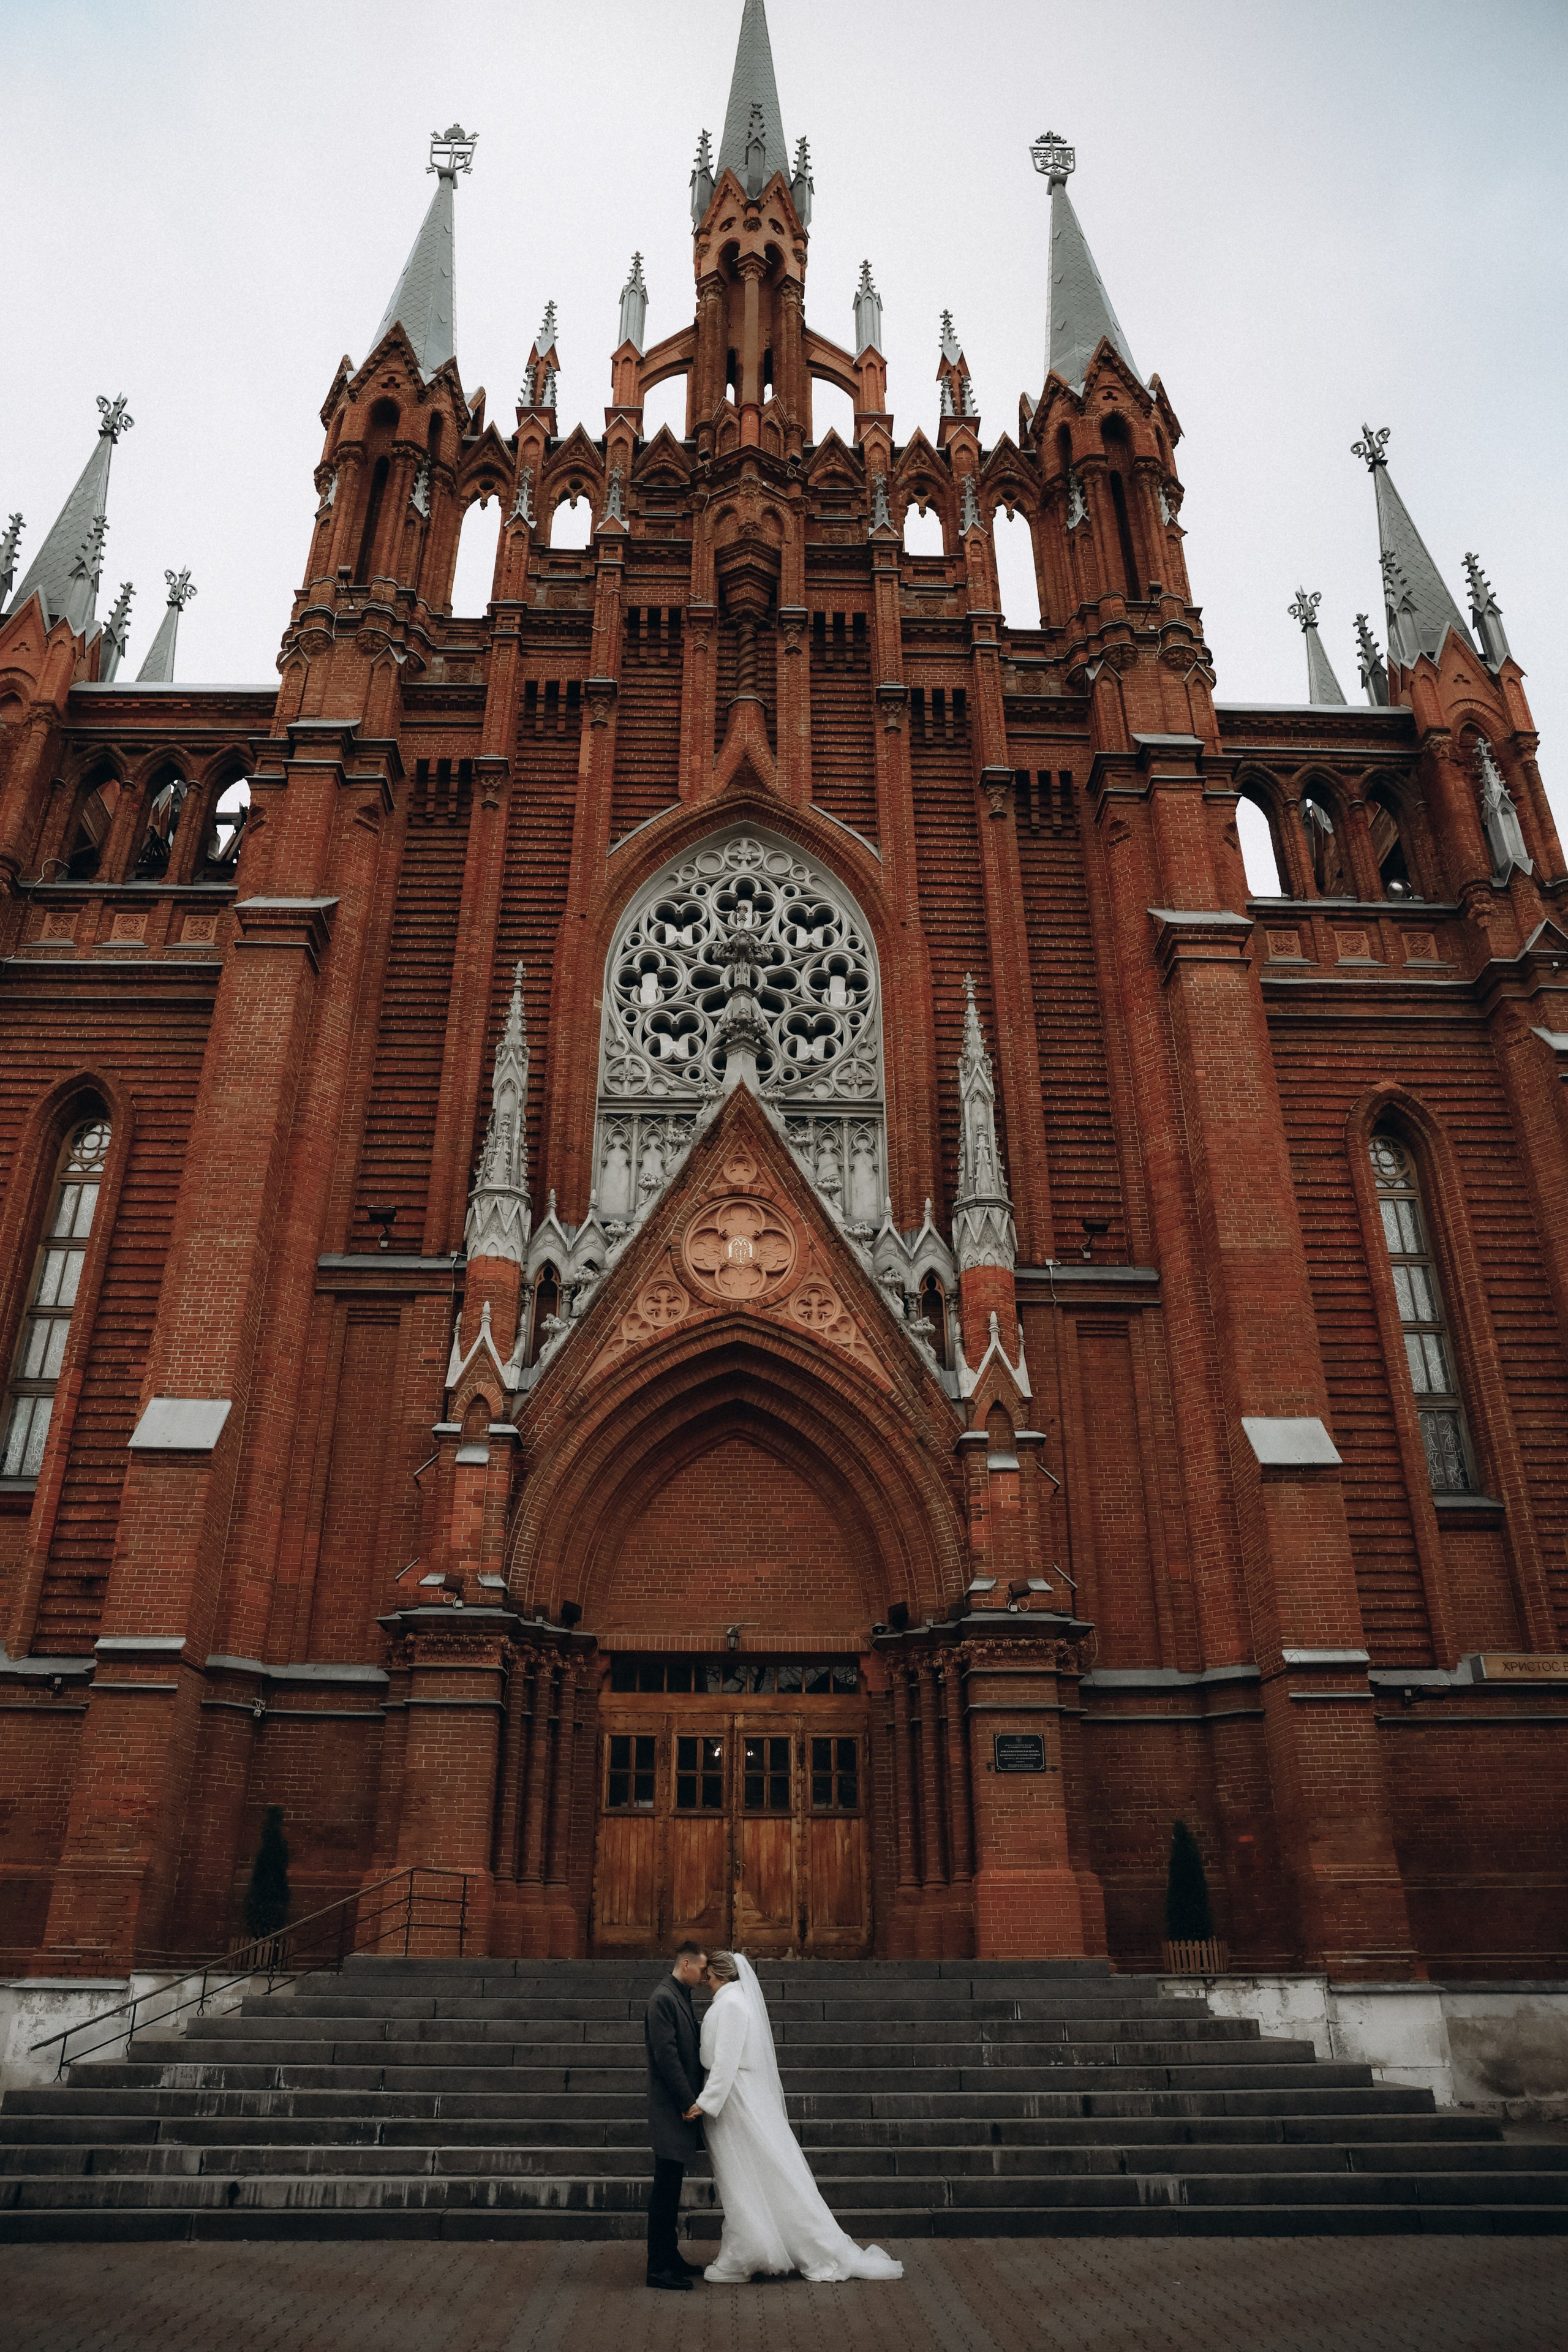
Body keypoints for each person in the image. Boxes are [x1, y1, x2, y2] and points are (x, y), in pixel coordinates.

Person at [686, 1950, 903, 2284]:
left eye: (709, 1975)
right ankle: (753, 2247)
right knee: (745, 2173)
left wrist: (706, 2101)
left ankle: (746, 2255)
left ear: (722, 1974)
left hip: (735, 2099)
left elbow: (726, 2061)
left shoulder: (730, 2005)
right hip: (735, 2096)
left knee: (743, 2173)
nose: (705, 1981)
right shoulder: (734, 2002)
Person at [643, 1939, 708, 2292]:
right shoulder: (663, 1999)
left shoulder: (680, 1995)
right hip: (671, 2110)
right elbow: (667, 2058)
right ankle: (658, 2269)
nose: (704, 1974)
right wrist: (688, 2103)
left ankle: (670, 2257)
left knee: (671, 2186)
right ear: (685, 1964)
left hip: (677, 2110)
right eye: (701, 1968)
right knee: (665, 2191)